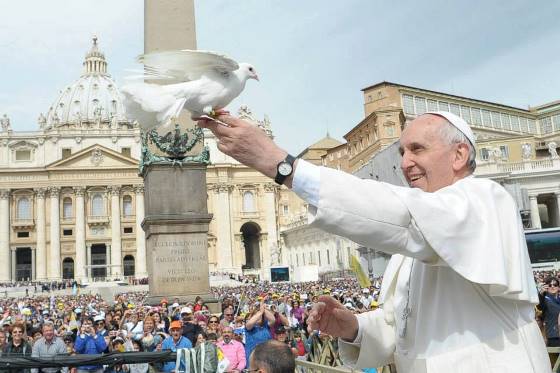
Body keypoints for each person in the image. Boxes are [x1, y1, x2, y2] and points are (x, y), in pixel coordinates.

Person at [199, 111, 550, 372]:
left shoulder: (486, 199)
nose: (405, 162)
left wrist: (283, 165)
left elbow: (403, 214)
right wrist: (353, 327)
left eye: (417, 149)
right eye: (401, 152)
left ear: (459, 155)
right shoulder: (417, 242)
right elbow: (399, 327)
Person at [538, 277, 560, 346]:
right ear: (546, 287)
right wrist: (541, 295)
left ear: (559, 287)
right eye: (550, 285)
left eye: (555, 285)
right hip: (553, 336)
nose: (552, 286)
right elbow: (540, 306)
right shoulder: (545, 299)